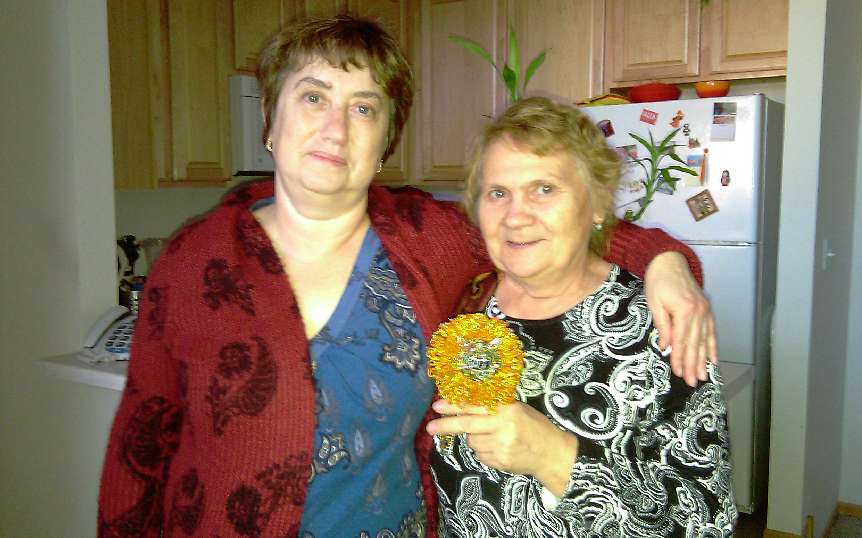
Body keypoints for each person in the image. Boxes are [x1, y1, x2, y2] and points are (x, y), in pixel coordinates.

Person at [98, 15, 716, 537]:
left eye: (363, 108)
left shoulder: (427, 238)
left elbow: (543, 229)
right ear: (269, 116)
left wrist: (663, 260)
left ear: (386, 138)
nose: (335, 127)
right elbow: (141, 445)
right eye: (312, 97)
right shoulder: (193, 259)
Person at [427, 97, 736, 536]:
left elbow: (706, 522)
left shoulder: (661, 325)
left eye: (544, 189)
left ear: (597, 204)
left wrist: (555, 458)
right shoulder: (462, 301)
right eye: (498, 193)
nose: (515, 216)